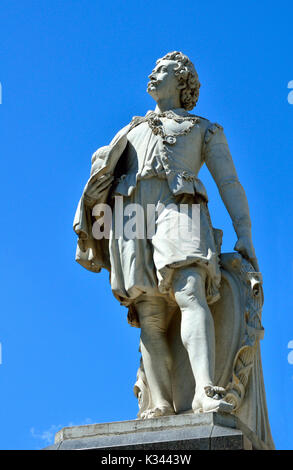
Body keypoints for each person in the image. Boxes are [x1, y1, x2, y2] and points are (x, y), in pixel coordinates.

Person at [74, 51, 258, 418]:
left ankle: (206, 391)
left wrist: (244, 233)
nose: (153, 74)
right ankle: (159, 403)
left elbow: (230, 183)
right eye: (153, 69)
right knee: (149, 312)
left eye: (164, 70)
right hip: (131, 213)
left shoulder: (203, 129)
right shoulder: (129, 131)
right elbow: (101, 177)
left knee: (190, 290)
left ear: (184, 81)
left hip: (182, 206)